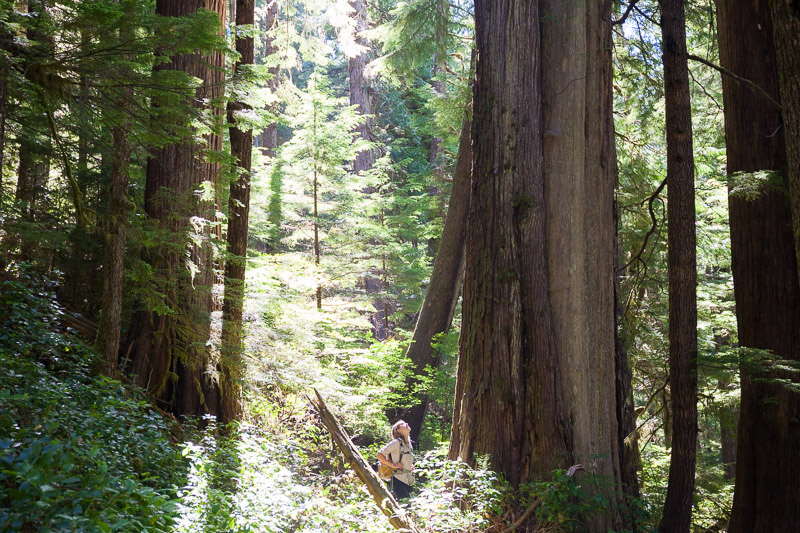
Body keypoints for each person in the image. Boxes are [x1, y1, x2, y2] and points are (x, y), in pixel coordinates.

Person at [376, 420, 415, 500]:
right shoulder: (396, 442)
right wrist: (392, 465)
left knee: (409, 505)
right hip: (398, 479)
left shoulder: (408, 443)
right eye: (403, 424)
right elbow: (379, 455)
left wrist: (409, 465)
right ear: (399, 430)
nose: (407, 423)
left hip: (409, 480)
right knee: (405, 504)